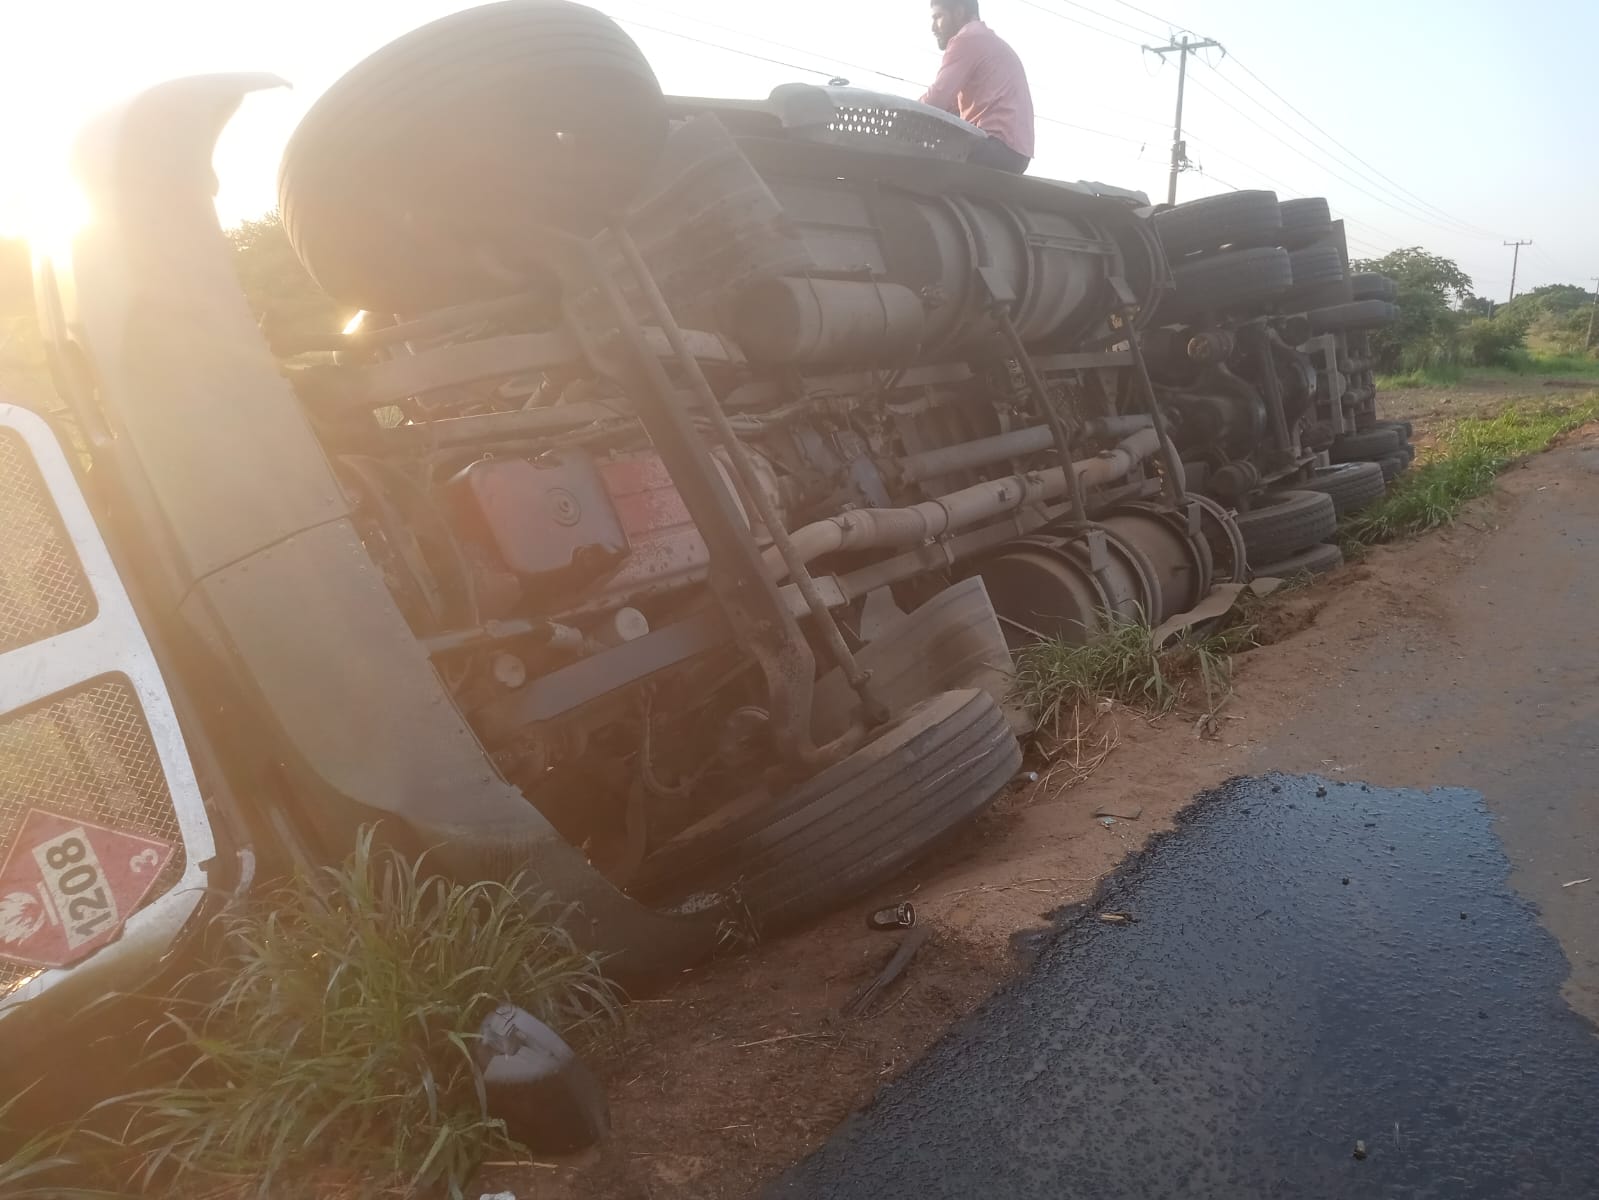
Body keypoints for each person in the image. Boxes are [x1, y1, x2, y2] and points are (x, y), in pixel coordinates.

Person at [920, 1, 1036, 174]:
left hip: (994, 146)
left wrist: (899, 116)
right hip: (1016, 154)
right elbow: (948, 107)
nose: (933, 27)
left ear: (959, 13)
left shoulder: (966, 39)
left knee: (916, 162)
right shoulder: (986, 40)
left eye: (938, 17)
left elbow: (935, 100)